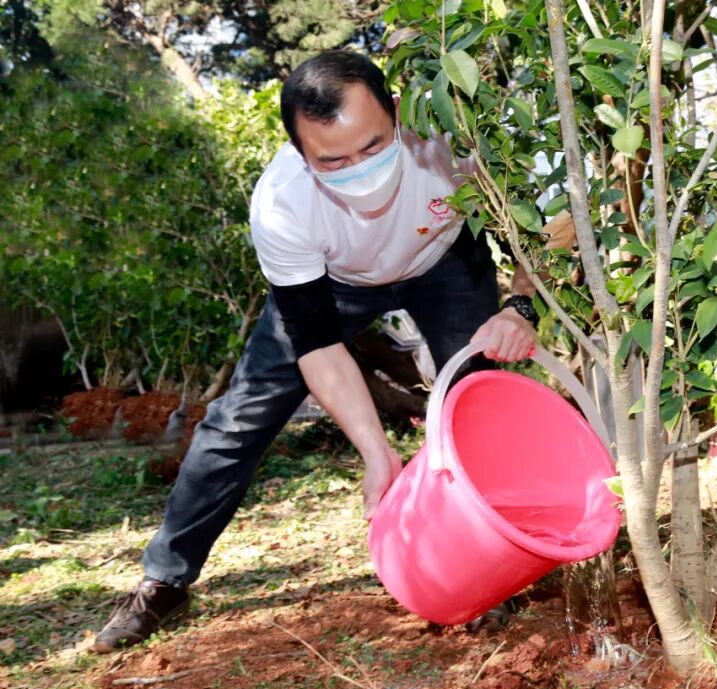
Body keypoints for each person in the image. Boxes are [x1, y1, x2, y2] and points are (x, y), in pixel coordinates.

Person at [92, 49, 539, 653]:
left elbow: (542, 225)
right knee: (237, 420)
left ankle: (492, 562)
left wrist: (521, 306)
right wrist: (377, 452)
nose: (359, 169)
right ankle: (165, 580)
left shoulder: (449, 138)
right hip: (334, 282)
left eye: (375, 147)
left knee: (477, 404)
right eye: (333, 161)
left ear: (398, 114)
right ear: (301, 155)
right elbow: (320, 346)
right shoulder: (282, 206)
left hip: (444, 262)